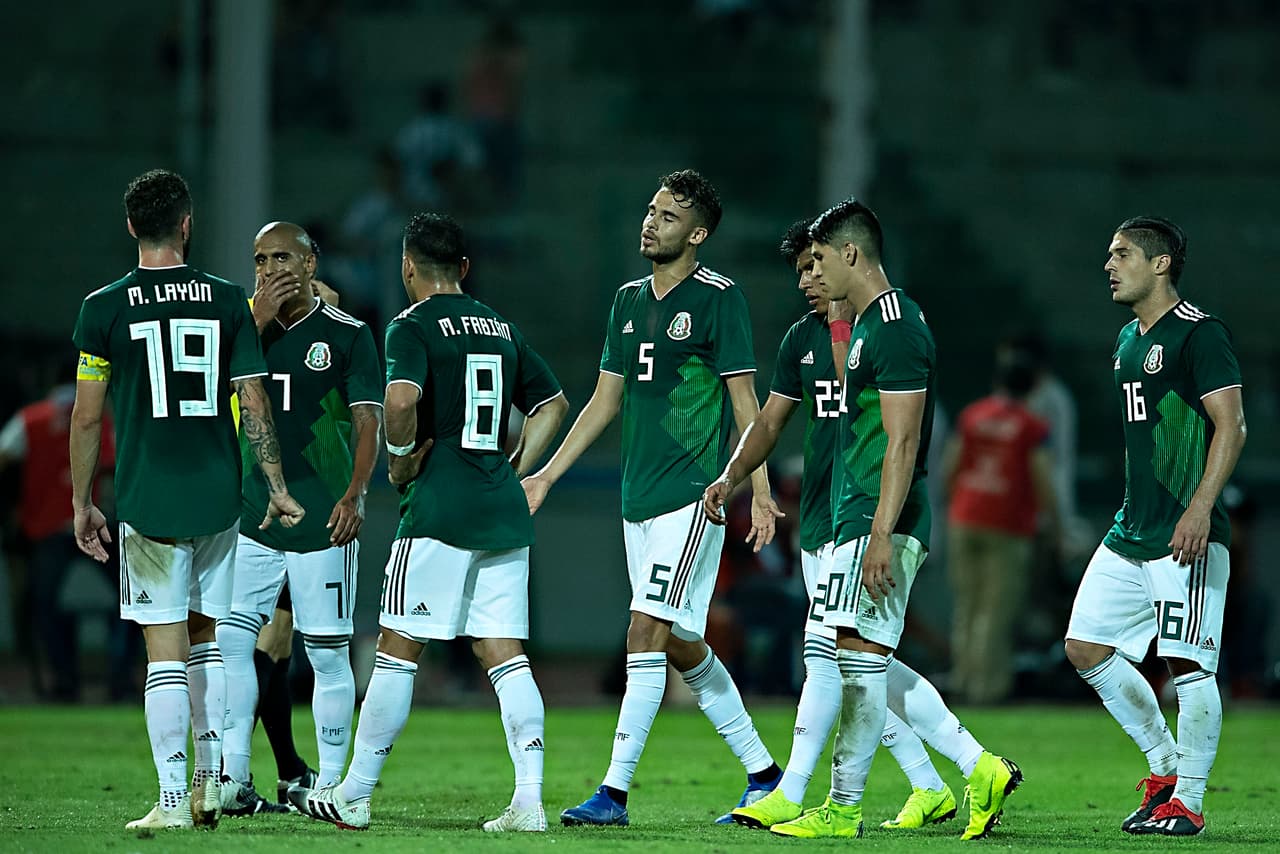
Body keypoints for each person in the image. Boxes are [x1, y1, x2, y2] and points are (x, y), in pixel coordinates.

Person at [705, 219, 1020, 835]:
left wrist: (881, 532)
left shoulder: (895, 326)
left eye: (818, 260)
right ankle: (963, 770)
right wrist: (734, 475)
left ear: (849, 254)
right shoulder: (832, 333)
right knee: (854, 655)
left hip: (877, 518)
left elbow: (902, 444)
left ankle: (829, 803)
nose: (811, 275)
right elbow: (772, 424)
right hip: (842, 516)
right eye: (803, 267)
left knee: (847, 653)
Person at [288, 212, 569, 832]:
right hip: (501, 507)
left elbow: (400, 400)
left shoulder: (410, 326)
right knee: (505, 655)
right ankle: (529, 801)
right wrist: (519, 464)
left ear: (407, 267)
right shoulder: (501, 327)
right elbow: (552, 403)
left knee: (396, 648)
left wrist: (397, 461)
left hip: (440, 507)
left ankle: (354, 794)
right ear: (464, 269)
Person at [522, 169, 783, 827]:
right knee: (679, 641)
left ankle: (612, 793)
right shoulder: (627, 300)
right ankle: (765, 774)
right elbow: (604, 400)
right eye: (650, 210)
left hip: (694, 495)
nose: (651, 222)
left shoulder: (720, 298)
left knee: (644, 630)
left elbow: (745, 401)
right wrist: (548, 474)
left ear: (697, 234)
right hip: (636, 498)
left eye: (668, 217)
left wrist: (759, 488)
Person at [69, 169, 305, 830]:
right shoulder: (229, 300)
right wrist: (277, 485)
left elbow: (87, 419)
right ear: (186, 224)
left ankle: (173, 800)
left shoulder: (103, 308)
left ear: (130, 228)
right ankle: (209, 782)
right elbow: (254, 399)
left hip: (149, 501)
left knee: (164, 651)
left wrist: (83, 501)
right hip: (217, 503)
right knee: (207, 644)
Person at [1064, 216, 1246, 837]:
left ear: (1160, 263)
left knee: (1188, 666)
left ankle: (1189, 803)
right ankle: (1165, 769)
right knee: (1084, 645)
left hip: (1184, 536)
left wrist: (1199, 508)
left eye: (1121, 254)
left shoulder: (1201, 334)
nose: (1109, 265)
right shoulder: (1125, 340)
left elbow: (1233, 426)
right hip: (1131, 531)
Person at [214, 222, 384, 816]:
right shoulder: (237, 328)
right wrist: (254, 320)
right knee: (233, 643)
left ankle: (332, 783)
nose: (268, 269)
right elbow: (202, 394)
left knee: (328, 652)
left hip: (322, 518)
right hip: (250, 514)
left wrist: (356, 493)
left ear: (312, 263)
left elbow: (369, 420)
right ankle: (232, 777)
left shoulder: (348, 334)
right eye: (259, 258)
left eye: (282, 257)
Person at [0, 376, 136, 702]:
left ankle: (64, 683)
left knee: (45, 606)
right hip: (98, 526)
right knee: (132, 599)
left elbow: (3, 455)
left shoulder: (30, 418)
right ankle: (120, 681)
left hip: (47, 530)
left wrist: (14, 505)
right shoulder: (104, 417)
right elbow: (124, 462)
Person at [943, 352, 1060, 704]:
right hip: (1007, 526)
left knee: (967, 605)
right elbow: (1043, 479)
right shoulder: (1032, 426)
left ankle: (962, 680)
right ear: (1031, 388)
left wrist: (957, 504)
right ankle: (988, 689)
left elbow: (951, 465)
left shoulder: (972, 415)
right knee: (996, 611)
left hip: (964, 518)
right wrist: (1055, 524)